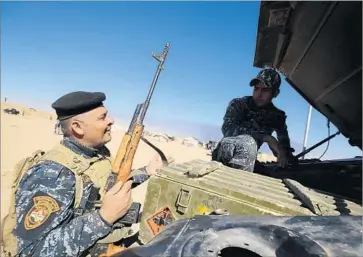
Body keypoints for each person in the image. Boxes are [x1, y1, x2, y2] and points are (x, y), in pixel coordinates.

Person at [2, 91, 171, 257]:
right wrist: (103, 217)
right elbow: (32, 252)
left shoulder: (95, 154)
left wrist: (147, 171)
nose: (111, 120)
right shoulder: (52, 175)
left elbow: (110, 185)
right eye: (102, 117)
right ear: (77, 127)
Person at [212, 68, 295, 172]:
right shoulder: (239, 104)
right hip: (226, 152)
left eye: (265, 90)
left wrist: (283, 153)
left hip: (248, 159)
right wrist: (266, 137)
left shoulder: (277, 116)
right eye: (256, 89)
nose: (259, 94)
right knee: (248, 143)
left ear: (275, 93)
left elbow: (284, 143)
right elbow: (227, 128)